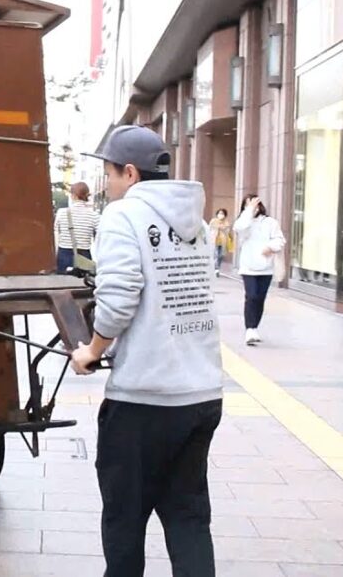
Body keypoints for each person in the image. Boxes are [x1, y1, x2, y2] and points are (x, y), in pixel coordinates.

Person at [70, 125, 223, 576]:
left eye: (109, 174)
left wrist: (92, 350)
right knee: (188, 520)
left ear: (130, 173)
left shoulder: (124, 216)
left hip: (144, 401)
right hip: (201, 395)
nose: (108, 184)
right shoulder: (197, 223)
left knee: (125, 521)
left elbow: (119, 298)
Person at [234, 195, 285, 346]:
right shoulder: (244, 223)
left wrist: (271, 247)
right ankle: (249, 329)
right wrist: (249, 211)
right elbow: (239, 228)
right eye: (247, 204)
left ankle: (254, 327)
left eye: (254, 204)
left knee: (260, 298)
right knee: (252, 296)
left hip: (266, 268)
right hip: (248, 267)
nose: (252, 207)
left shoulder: (270, 222)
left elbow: (279, 239)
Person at [54, 182, 101, 273]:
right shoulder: (94, 216)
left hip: (64, 255)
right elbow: (100, 238)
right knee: (83, 280)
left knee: (62, 280)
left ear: (73, 195)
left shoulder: (61, 213)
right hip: (84, 256)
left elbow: (56, 236)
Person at [208, 208, 231, 276]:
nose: (220, 215)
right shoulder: (213, 221)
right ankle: (216, 269)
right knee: (216, 255)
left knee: (221, 255)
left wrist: (222, 228)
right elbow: (209, 229)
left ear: (225, 215)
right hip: (214, 240)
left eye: (222, 213)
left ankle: (217, 267)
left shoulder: (226, 223)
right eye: (219, 213)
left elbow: (227, 231)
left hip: (223, 241)